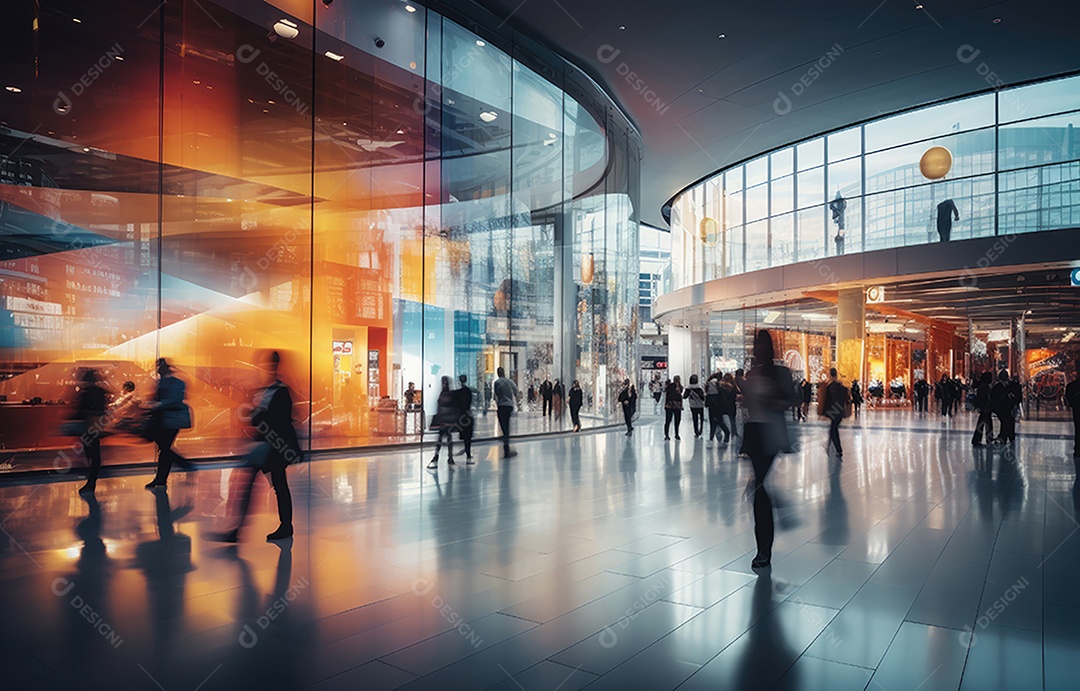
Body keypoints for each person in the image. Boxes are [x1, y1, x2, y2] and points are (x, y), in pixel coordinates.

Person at [212, 351, 298, 542]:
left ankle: (242, 530)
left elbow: (278, 419)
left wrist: (256, 414)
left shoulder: (280, 391)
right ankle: (278, 527)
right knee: (272, 485)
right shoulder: (266, 390)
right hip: (266, 445)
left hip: (273, 446)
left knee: (274, 485)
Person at [743, 330, 798, 569]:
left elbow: (792, 400)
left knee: (759, 487)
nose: (757, 348)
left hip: (771, 433)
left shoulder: (780, 373)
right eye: (755, 344)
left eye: (760, 344)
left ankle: (764, 549)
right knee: (758, 489)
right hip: (754, 432)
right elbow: (749, 403)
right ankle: (763, 547)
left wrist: (772, 402)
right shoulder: (752, 373)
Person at [145, 358, 192, 490]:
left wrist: (156, 405)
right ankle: (162, 478)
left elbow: (171, 401)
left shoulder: (170, 383)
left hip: (169, 420)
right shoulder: (172, 382)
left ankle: (178, 468)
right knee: (164, 449)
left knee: (164, 449)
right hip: (168, 420)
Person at [74, 369, 109, 494]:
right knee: (94, 453)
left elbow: (80, 411)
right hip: (96, 426)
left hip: (88, 426)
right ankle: (92, 480)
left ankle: (91, 481)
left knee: (92, 453)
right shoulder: (100, 391)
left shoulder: (86, 393)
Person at [819, 368, 851, 457]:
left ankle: (838, 450)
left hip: (834, 411)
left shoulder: (831, 387)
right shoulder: (840, 386)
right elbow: (845, 397)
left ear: (830, 374)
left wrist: (825, 412)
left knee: (833, 430)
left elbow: (829, 400)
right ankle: (831, 448)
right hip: (839, 410)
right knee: (833, 429)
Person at [428, 376, 457, 469]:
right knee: (446, 438)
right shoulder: (449, 393)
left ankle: (438, 457)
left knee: (442, 439)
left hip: (445, 419)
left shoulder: (444, 393)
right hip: (446, 419)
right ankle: (449, 457)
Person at [493, 367, 518, 458]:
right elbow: (516, 390)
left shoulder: (497, 382)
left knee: (503, 425)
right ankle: (506, 443)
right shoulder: (509, 381)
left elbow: (497, 394)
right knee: (506, 424)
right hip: (509, 405)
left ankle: (506, 445)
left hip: (502, 405)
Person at [991, 370, 1018, 444]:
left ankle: (1005, 436)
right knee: (1007, 421)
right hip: (1001, 409)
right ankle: (1005, 436)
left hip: (1006, 408)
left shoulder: (1005, 386)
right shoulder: (1000, 387)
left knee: (1007, 421)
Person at [971, 371, 994, 446]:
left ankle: (978, 439)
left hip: (985, 408)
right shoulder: (984, 387)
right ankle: (986, 438)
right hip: (985, 408)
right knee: (986, 424)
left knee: (982, 423)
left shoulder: (983, 386)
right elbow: (982, 398)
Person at [456, 374, 475, 463]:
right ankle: (468, 453)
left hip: (462, 415)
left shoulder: (460, 392)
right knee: (468, 436)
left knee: (465, 435)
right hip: (467, 414)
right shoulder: (467, 391)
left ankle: (467, 452)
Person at [1065, 362, 1080, 457]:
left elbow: (1069, 399)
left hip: (1077, 410)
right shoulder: (1072, 386)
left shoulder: (1072, 386)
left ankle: (1078, 448)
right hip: (1077, 409)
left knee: (1078, 428)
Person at [664, 375, 684, 441]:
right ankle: (673, 434)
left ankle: (670, 435)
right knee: (673, 420)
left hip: (671, 406)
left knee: (671, 420)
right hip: (674, 405)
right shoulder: (672, 386)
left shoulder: (679, 387)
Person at [705, 373, 724, 442]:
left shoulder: (709, 383)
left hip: (711, 405)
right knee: (719, 420)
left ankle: (711, 436)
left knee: (712, 422)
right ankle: (723, 433)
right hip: (718, 405)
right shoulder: (718, 384)